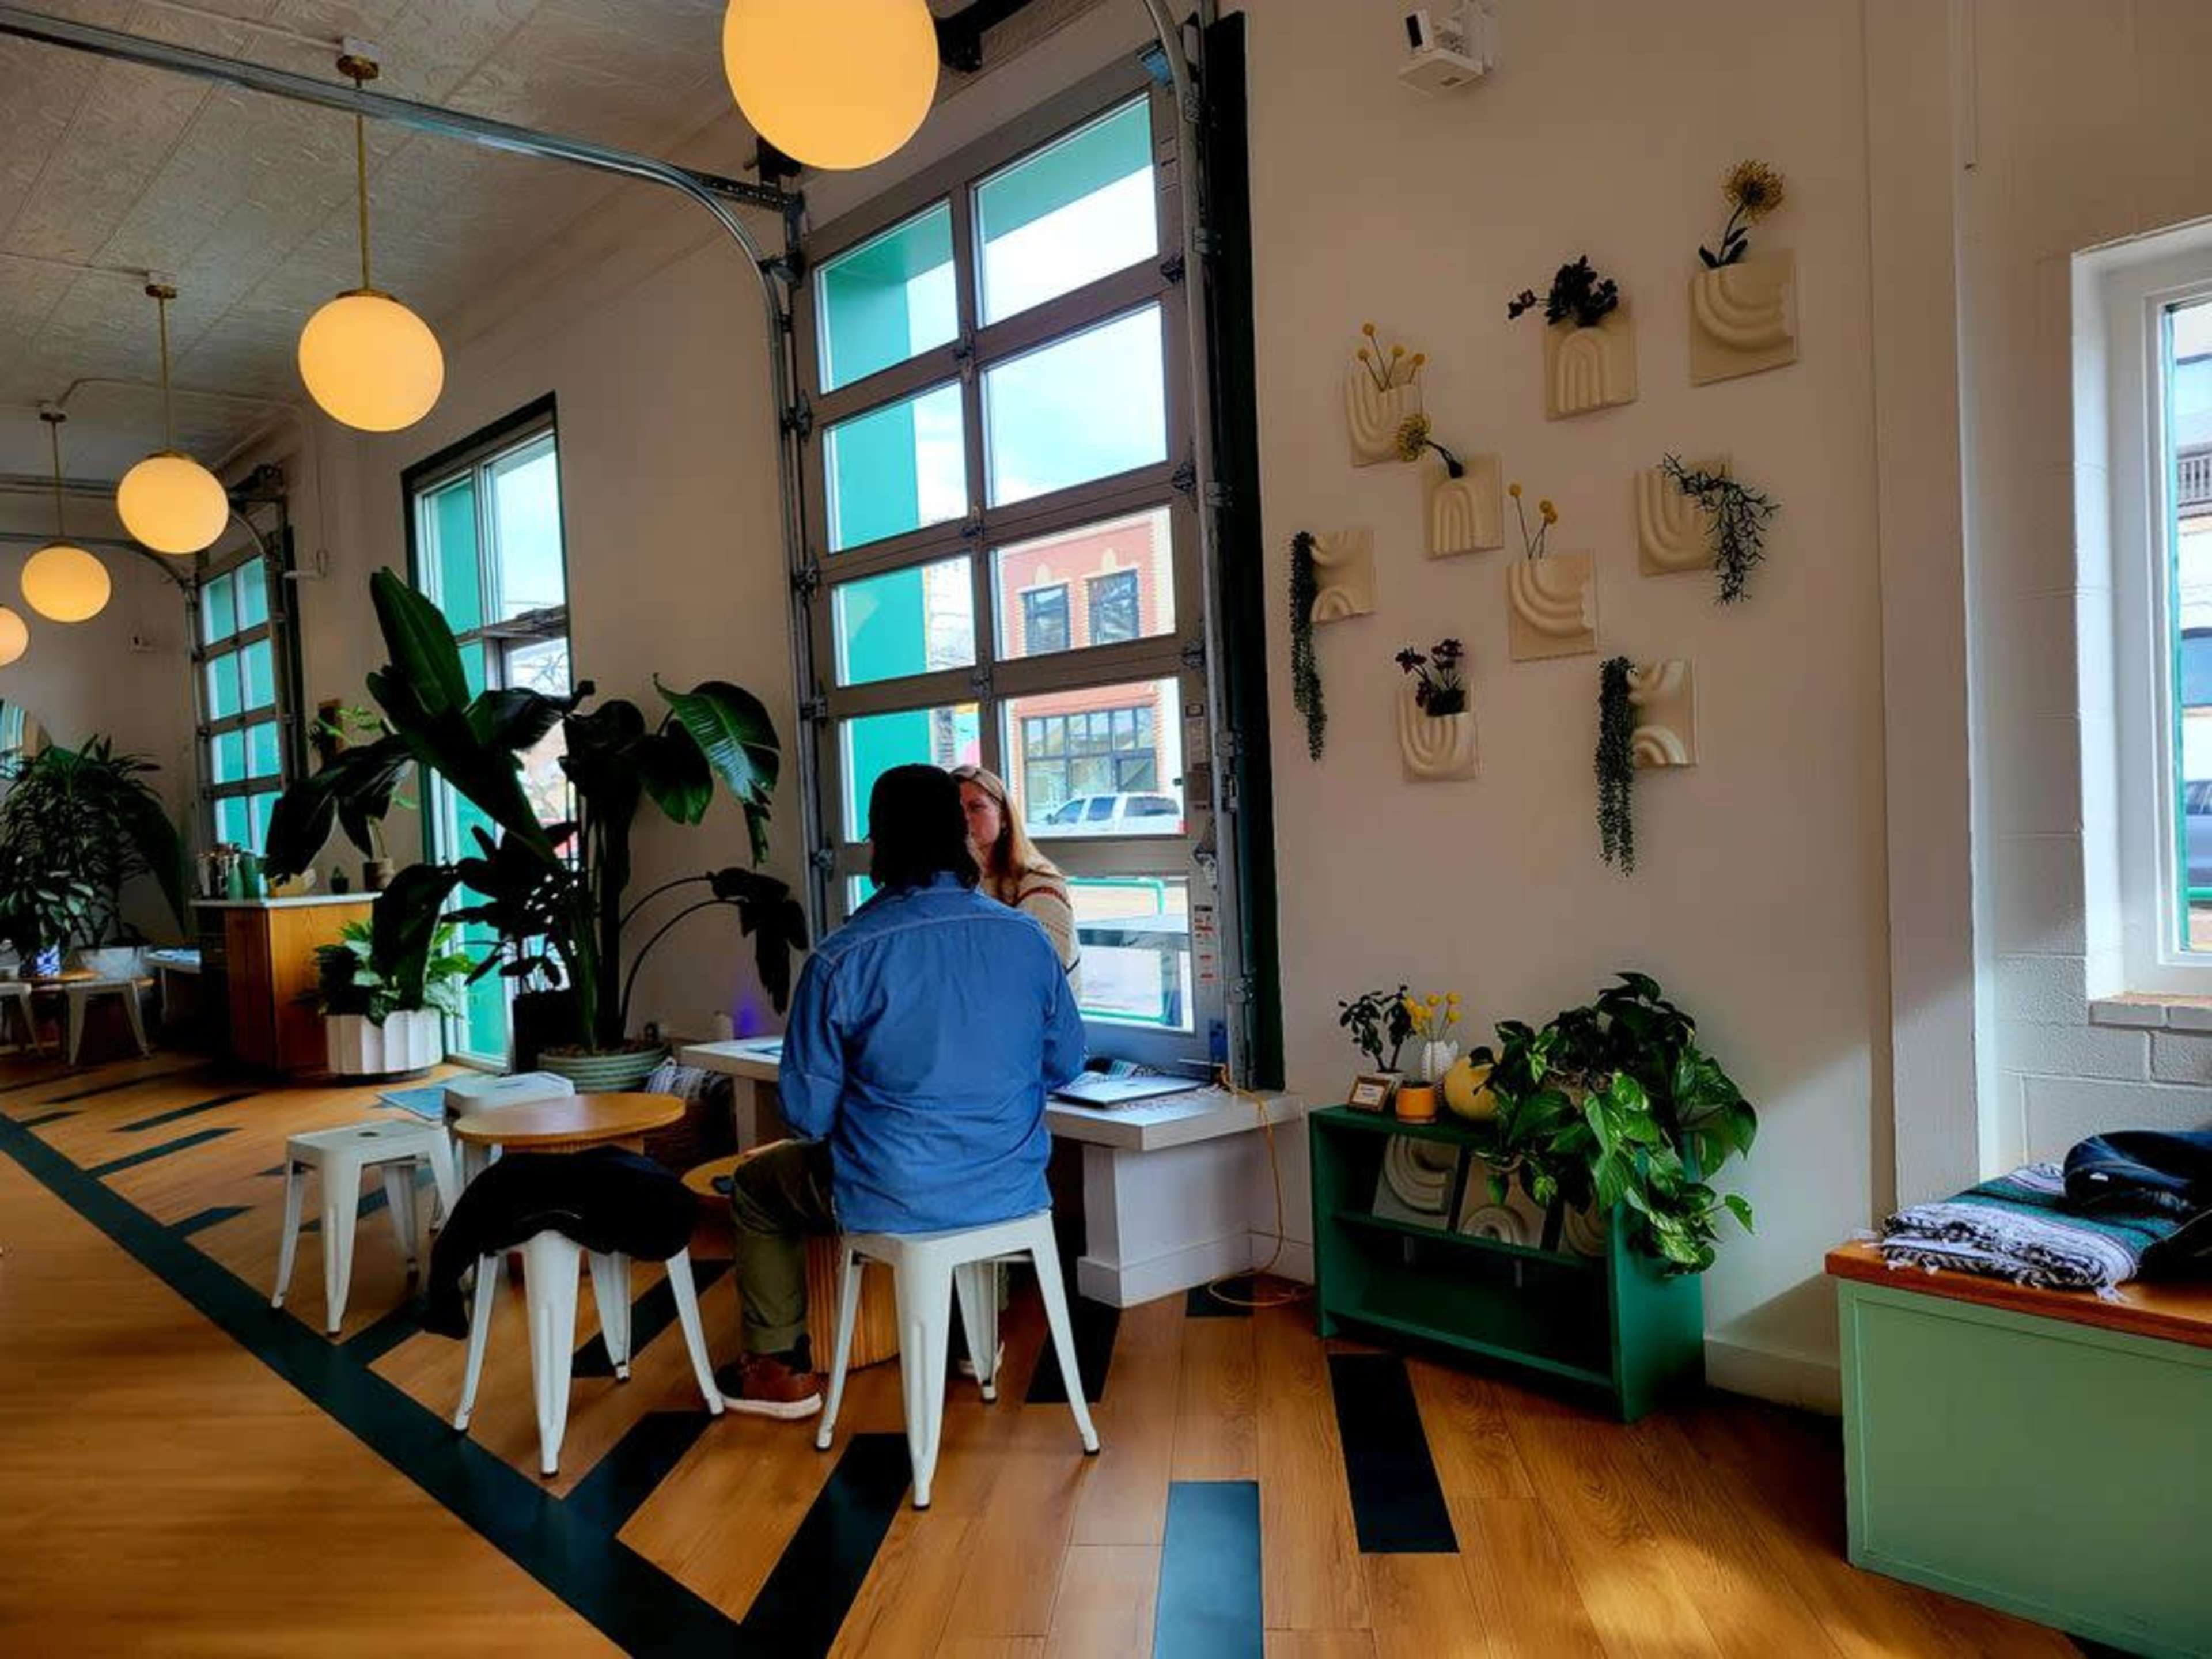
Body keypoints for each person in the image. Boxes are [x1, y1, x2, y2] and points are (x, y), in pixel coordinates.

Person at [718, 763, 1087, 1418]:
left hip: (893, 1192)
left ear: (877, 841)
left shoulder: (842, 955)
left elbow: (807, 1113)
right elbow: (1064, 1064)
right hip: (1013, 1188)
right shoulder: (1026, 938)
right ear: (960, 835)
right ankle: (976, 1346)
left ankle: (781, 1371)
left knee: (754, 1186)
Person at [950, 763, 1083, 999]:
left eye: (976, 807)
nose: (964, 819)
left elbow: (1042, 979)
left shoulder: (1039, 885)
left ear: (1004, 818)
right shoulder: (949, 884)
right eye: (953, 810)